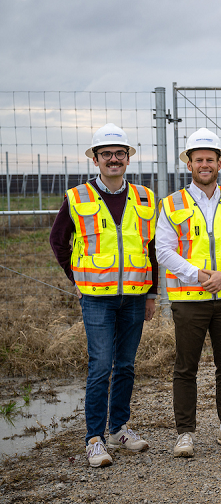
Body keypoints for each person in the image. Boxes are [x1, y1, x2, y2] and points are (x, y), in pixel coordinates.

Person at [49, 123, 157, 467]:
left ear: (128, 158)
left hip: (136, 296)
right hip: (96, 297)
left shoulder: (145, 196)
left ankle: (119, 429)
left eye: (119, 153)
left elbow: (151, 247)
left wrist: (153, 292)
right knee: (100, 367)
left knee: (125, 365)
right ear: (95, 159)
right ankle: (94, 438)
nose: (114, 158)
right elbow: (58, 241)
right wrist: (76, 278)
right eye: (106, 153)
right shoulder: (77, 197)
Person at [156, 127, 221, 458]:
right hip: (189, 300)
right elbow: (164, 250)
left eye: (210, 159)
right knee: (186, 367)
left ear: (218, 163)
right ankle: (185, 434)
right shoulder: (172, 204)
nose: (204, 164)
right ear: (189, 164)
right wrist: (198, 275)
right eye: (198, 159)